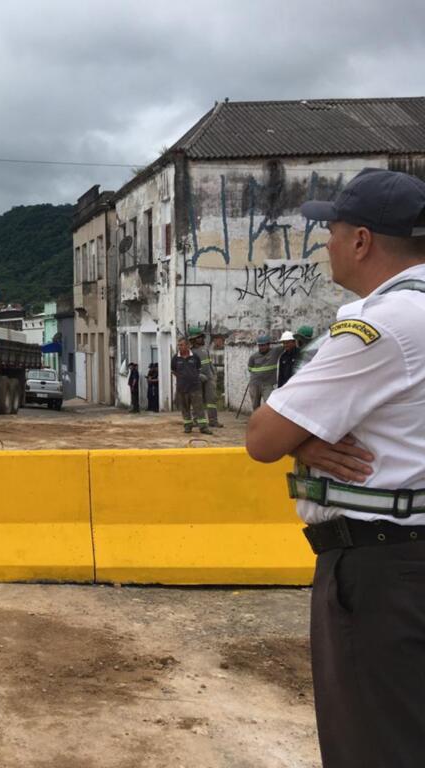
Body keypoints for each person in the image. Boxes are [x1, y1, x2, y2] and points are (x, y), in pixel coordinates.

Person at [246, 167, 425, 768]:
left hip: (384, 568)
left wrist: (299, 438)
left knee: (376, 744)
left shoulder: (382, 325)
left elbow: (263, 436)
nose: (324, 243)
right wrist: (307, 438)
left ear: (362, 241)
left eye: (332, 229)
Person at [170, 337, 211, 435]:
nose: (179, 347)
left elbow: (198, 370)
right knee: (185, 409)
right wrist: (182, 378)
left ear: (188, 346)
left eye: (182, 345)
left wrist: (191, 377)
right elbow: (174, 371)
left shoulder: (195, 357)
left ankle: (203, 428)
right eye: (178, 345)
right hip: (182, 388)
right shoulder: (175, 358)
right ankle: (188, 427)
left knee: (199, 409)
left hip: (195, 388)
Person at [188, 327, 222, 427]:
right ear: (194, 339)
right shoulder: (190, 352)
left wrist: (213, 373)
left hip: (209, 378)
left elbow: (209, 362)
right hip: (197, 379)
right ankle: (196, 420)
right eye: (200, 337)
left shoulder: (205, 350)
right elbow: (189, 368)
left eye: (202, 337)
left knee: (211, 400)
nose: (203, 339)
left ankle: (213, 421)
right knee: (197, 400)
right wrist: (198, 375)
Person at [247, 334, 281, 409]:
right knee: (255, 406)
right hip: (254, 384)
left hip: (267, 384)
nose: (261, 347)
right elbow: (250, 369)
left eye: (263, 345)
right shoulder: (253, 357)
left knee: (269, 404)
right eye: (260, 345)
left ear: (268, 345)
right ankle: (257, 420)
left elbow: (286, 345)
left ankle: (267, 420)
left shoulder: (275, 352)